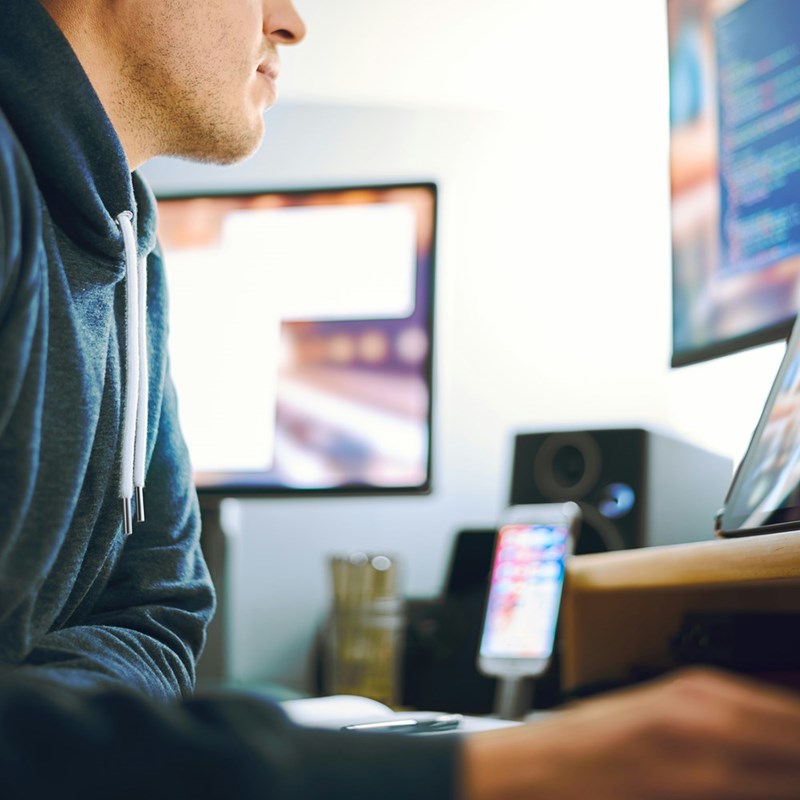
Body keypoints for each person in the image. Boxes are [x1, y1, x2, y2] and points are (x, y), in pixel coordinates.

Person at [1, 1, 800, 798]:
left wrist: (70, 737)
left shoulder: (131, 242)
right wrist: (486, 771)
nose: (290, 23)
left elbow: (160, 615)